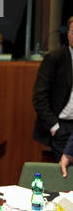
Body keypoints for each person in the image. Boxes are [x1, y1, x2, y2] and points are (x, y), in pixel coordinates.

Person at [33, 16, 73, 161]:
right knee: (66, 176)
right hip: (61, 127)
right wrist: (54, 127)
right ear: (68, 34)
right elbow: (39, 97)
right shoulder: (55, 59)